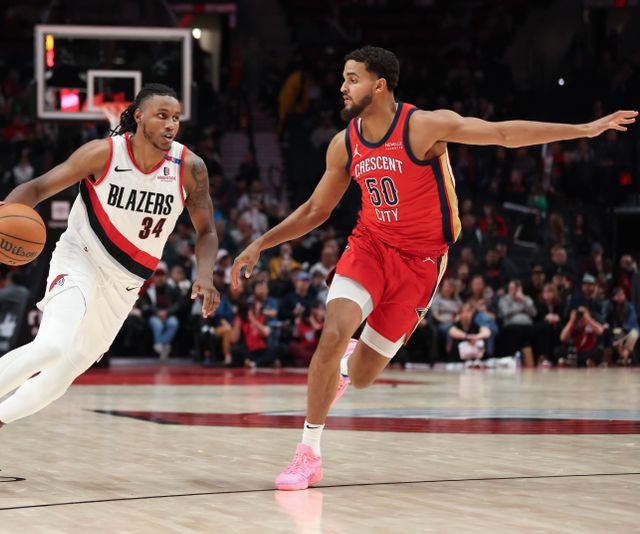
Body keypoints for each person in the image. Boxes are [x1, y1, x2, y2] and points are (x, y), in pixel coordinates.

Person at [231, 45, 637, 490]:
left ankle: (346, 369)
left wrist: (583, 128)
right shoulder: (344, 142)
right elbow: (314, 210)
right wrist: (260, 244)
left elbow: (501, 134)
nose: (342, 86)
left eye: (352, 78)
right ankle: (308, 453)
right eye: (343, 78)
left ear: (379, 85)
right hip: (370, 246)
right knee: (333, 332)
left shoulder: (422, 126)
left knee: (363, 376)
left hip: (422, 262)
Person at [0, 84, 220, 479]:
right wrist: (4, 210)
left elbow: (206, 230)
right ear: (138, 115)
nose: (171, 124)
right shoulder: (103, 153)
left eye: (176, 117)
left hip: (125, 285)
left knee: (58, 381)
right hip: (81, 258)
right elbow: (38, 188)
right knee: (51, 345)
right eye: (161, 115)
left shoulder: (190, 168)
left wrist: (205, 275)